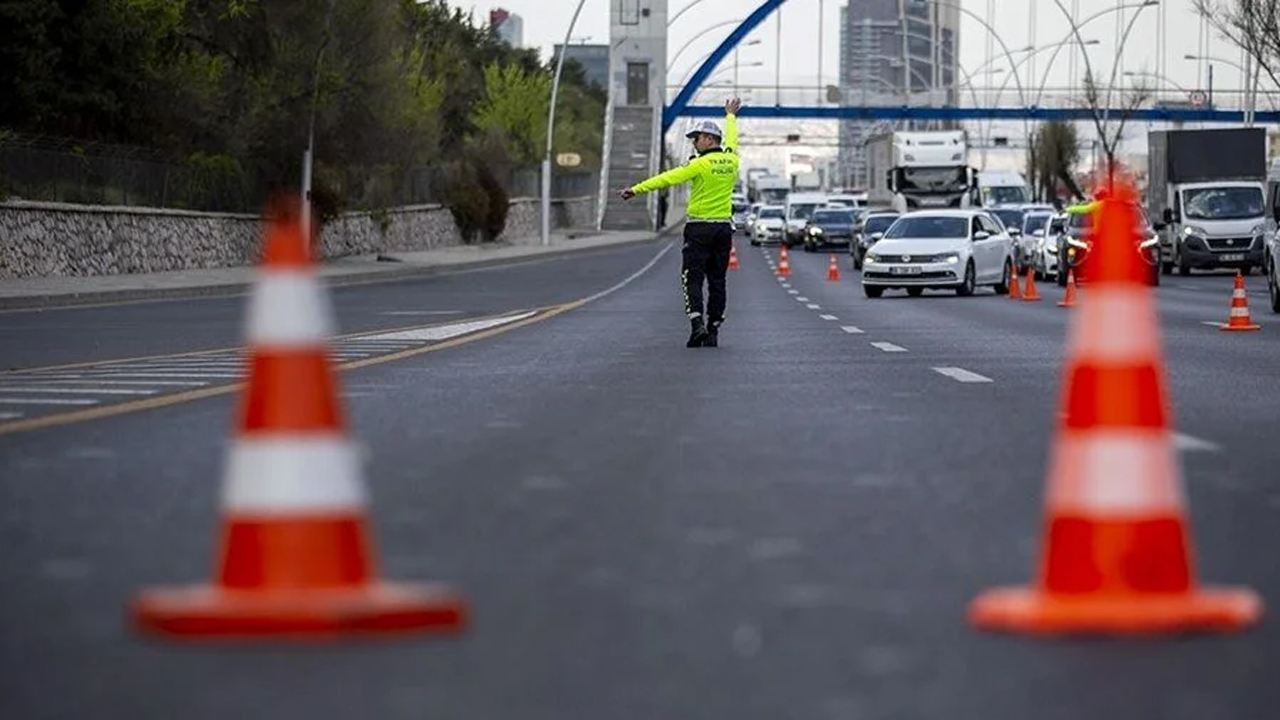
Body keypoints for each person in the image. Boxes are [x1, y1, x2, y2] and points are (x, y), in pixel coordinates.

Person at [619, 97, 742, 348]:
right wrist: (730, 115)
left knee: (692, 278)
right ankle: (714, 329)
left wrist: (636, 189)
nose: (694, 144)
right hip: (723, 229)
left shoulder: (699, 164)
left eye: (696, 139)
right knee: (718, 280)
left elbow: (667, 179)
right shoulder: (732, 160)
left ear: (708, 139)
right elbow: (733, 139)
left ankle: (697, 325)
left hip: (699, 229)